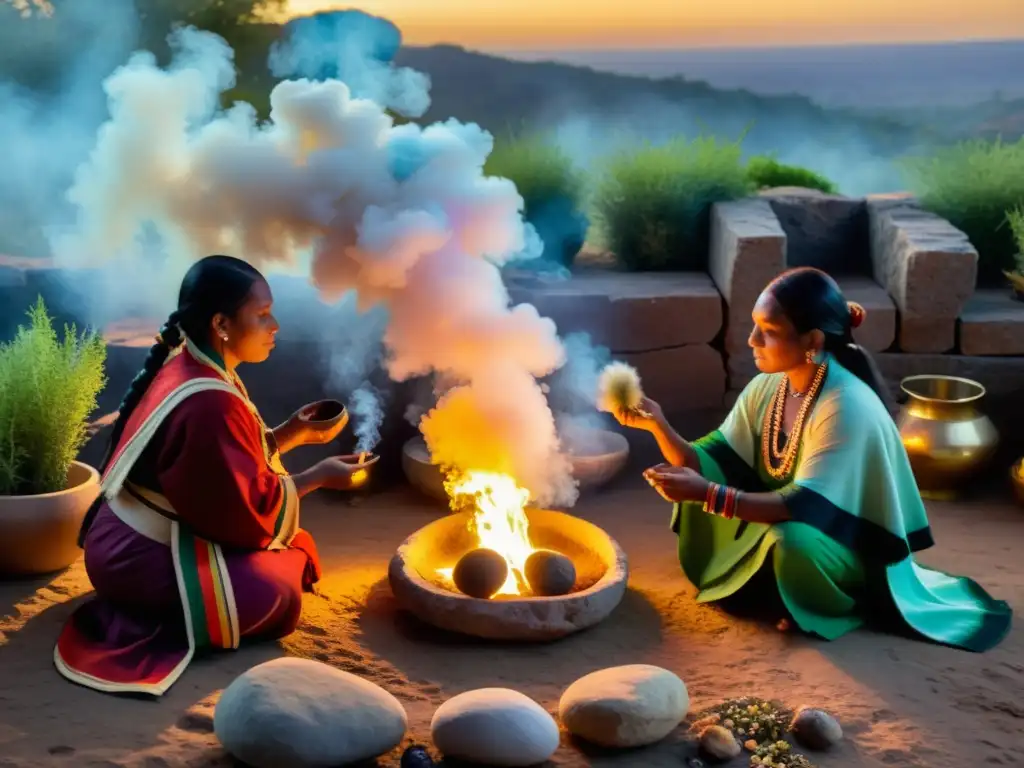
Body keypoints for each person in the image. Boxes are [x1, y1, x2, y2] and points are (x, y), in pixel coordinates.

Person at [617, 266, 1012, 651]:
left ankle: (837, 604)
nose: (752, 340)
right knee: (696, 499)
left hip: (848, 544)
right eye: (755, 326)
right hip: (784, 516)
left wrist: (710, 495)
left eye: (769, 332)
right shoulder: (767, 386)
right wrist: (659, 426)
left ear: (813, 340)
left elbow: (803, 506)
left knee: (791, 542)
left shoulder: (846, 404)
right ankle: (775, 594)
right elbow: (708, 459)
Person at [55, 255, 375, 696]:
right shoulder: (210, 400)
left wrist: (291, 434)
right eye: (262, 315)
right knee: (278, 591)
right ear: (222, 324)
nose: (275, 325)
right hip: (139, 556)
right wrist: (318, 477)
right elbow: (239, 513)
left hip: (120, 535)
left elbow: (216, 471)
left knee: (293, 552)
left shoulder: (193, 362)